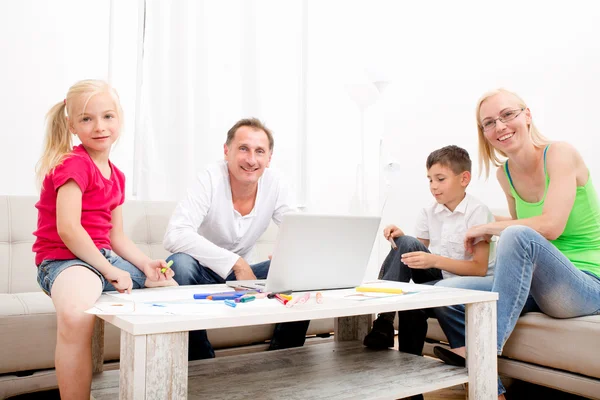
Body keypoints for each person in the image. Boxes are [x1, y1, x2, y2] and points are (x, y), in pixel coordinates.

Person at [438, 88, 600, 399]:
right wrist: (498, 231)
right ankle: (493, 391)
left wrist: (490, 227)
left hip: (585, 284)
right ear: (484, 133)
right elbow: (523, 241)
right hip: (539, 287)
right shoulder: (505, 175)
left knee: (516, 234)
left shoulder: (560, 153)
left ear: (526, 115)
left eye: (507, 115)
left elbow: (549, 227)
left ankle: (484, 355)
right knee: (444, 293)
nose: (500, 126)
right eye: (489, 122)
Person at [33, 79, 177, 400]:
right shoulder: (73, 164)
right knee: (74, 316)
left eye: (107, 116)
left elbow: (116, 235)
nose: (99, 126)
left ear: (120, 119)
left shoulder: (117, 175)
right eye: (86, 119)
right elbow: (69, 229)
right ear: (71, 124)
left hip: (100, 258)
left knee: (168, 285)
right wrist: (110, 270)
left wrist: (144, 263)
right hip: (64, 260)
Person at [163, 118, 310, 360]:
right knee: (179, 263)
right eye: (243, 149)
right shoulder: (210, 178)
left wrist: (291, 254)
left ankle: (283, 358)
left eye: (259, 151)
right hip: (203, 271)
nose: (251, 160)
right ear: (226, 151)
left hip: (246, 276)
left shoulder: (275, 183)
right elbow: (175, 234)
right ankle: (201, 361)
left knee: (298, 268)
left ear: (269, 158)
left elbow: (298, 230)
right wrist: (236, 263)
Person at [363, 145, 495, 366]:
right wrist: (402, 240)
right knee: (405, 243)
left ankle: (386, 326)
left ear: (464, 179)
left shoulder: (478, 212)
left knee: (413, 300)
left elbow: (479, 269)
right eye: (430, 180)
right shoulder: (429, 211)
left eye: (440, 179)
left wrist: (434, 260)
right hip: (440, 276)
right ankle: (386, 326)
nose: (433, 186)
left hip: (473, 283)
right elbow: (416, 253)